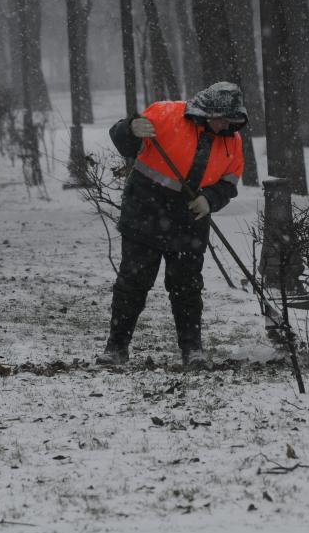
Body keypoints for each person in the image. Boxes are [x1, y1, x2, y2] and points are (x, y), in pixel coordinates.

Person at [96, 82, 248, 368]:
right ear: (205, 112)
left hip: (190, 221)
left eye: (231, 119)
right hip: (145, 211)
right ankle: (116, 347)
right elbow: (123, 140)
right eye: (221, 118)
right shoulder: (165, 114)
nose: (225, 125)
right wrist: (130, 128)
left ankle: (192, 350)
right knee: (133, 284)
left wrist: (210, 200)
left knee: (187, 287)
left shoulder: (232, 141)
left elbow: (229, 182)